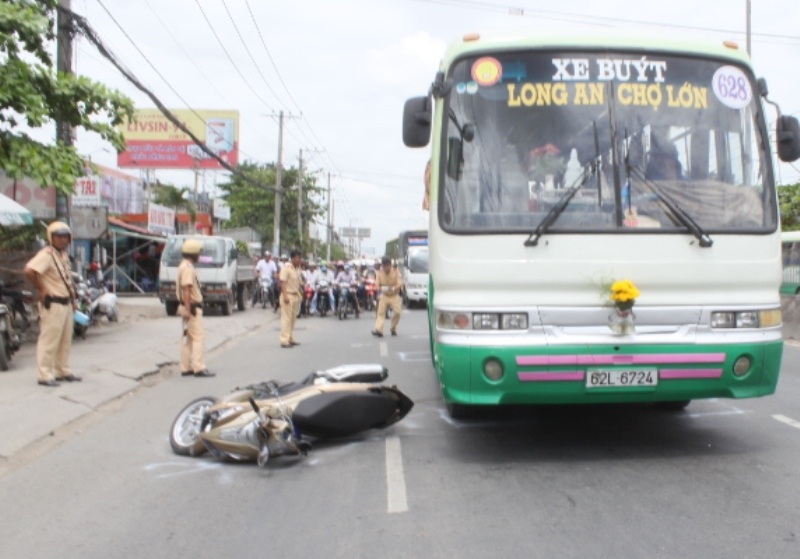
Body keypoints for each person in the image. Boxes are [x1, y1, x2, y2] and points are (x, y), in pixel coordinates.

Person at [24, 221, 81, 387]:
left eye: (65, 236)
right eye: (59, 236)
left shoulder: (61, 255)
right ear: (51, 238)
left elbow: (67, 280)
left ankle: (62, 370)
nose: (63, 240)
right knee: (49, 340)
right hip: (53, 302)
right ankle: (44, 374)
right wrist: (42, 289)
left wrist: (73, 300)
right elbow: (29, 270)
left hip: (65, 302)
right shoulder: (46, 254)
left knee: (65, 340)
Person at [177, 239, 214, 377]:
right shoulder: (187, 268)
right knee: (198, 337)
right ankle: (198, 367)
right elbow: (186, 289)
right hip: (192, 308)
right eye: (198, 253)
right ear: (192, 254)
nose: (199, 255)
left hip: (187, 307)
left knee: (188, 338)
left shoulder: (183, 266)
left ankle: (186, 367)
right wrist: (187, 309)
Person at [372, 255, 403, 337]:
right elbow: (377, 284)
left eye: (387, 265)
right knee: (381, 313)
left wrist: (393, 288)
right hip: (384, 295)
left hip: (394, 295)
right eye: (384, 266)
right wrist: (381, 288)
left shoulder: (396, 271)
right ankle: (378, 330)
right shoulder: (379, 273)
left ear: (390, 265)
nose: (386, 268)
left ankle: (393, 328)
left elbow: (400, 283)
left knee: (398, 312)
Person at [279, 249, 303, 348]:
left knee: (292, 319)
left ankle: (290, 338)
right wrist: (285, 296)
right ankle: (284, 340)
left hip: (295, 295)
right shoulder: (286, 268)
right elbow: (283, 283)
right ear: (292, 258)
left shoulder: (297, 269)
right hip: (287, 295)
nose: (299, 260)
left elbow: (298, 282)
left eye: (300, 258)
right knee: (286, 319)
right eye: (298, 258)